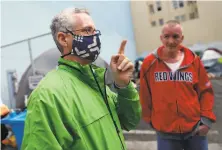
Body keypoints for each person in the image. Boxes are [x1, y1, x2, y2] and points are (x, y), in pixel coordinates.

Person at [21, 8, 141, 150]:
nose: (95, 37)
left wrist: (123, 85)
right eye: (87, 30)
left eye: (95, 31)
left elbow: (129, 121)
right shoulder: (47, 96)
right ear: (63, 38)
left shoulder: (95, 81)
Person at [140, 20, 216, 150]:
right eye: (166, 37)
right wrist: (149, 119)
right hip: (165, 134)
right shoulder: (149, 63)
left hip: (195, 130)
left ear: (182, 38)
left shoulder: (194, 61)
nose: (170, 41)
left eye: (175, 36)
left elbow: (205, 92)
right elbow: (145, 94)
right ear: (161, 38)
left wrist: (206, 121)